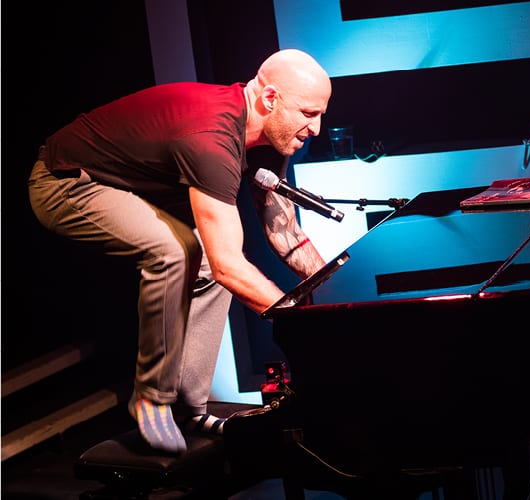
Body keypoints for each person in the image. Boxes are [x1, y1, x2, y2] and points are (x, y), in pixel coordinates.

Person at [28, 49, 331, 454]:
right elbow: (229, 266)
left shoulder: (271, 135)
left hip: (129, 185)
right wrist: (299, 325)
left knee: (206, 255)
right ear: (270, 98)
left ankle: (189, 407)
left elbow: (284, 231)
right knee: (177, 252)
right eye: (309, 114)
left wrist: (334, 299)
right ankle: (152, 399)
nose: (317, 128)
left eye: (321, 114)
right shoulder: (212, 138)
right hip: (64, 182)